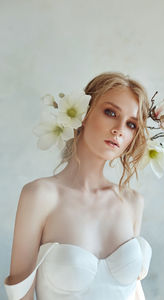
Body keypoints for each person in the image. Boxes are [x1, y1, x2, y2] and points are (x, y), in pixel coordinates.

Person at [4, 72, 152, 300]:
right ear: (84, 113)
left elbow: (133, 292)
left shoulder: (132, 202)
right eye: (110, 112)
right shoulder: (40, 196)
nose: (119, 129)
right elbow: (20, 297)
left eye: (131, 124)